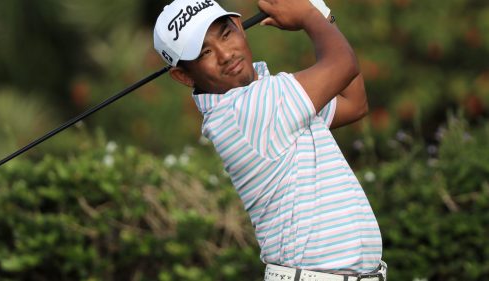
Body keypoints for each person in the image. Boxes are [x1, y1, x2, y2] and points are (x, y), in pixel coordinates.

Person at [153, 0, 386, 280]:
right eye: (204, 52)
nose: (225, 54)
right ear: (183, 75)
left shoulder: (272, 95)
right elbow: (343, 64)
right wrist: (309, 15)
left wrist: (321, 15)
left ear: (240, 26)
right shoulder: (244, 110)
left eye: (225, 34)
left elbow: (354, 103)